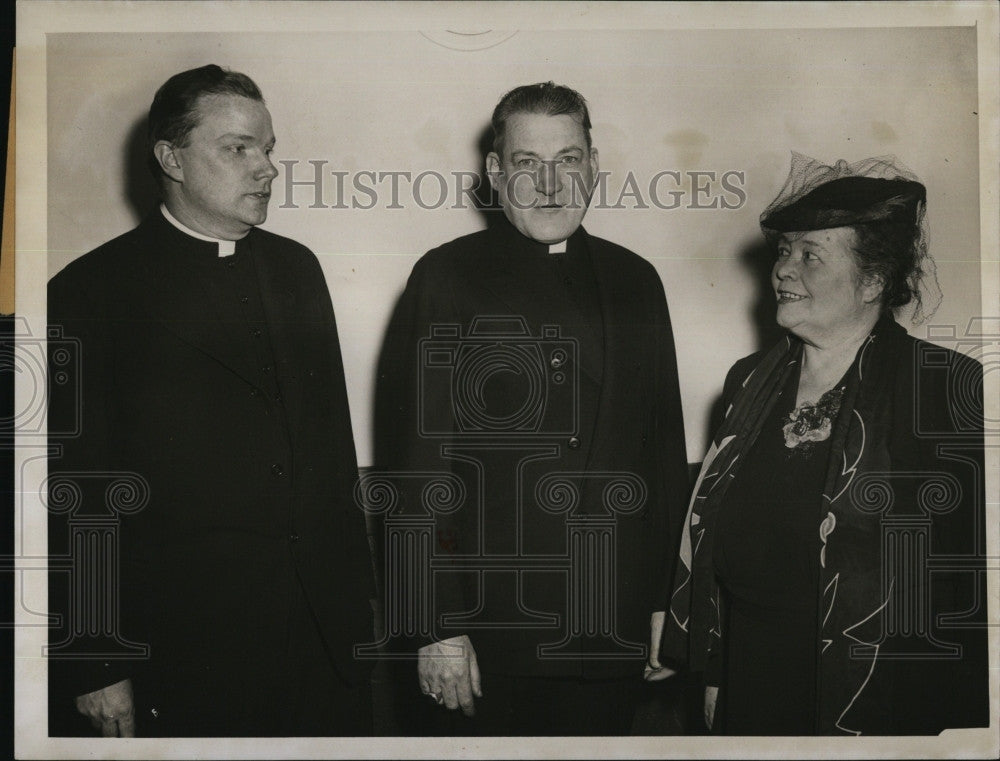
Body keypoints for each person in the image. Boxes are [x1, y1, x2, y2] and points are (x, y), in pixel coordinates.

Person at [47, 65, 375, 737]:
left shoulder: (298, 270)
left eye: (268, 147)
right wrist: (96, 659)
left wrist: (358, 621)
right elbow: (75, 491)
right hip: (186, 648)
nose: (266, 168)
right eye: (238, 148)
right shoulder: (89, 292)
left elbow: (332, 453)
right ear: (170, 157)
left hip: (319, 642)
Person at [373, 82, 690, 736]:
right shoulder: (446, 276)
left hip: (613, 627)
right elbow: (416, 465)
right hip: (492, 635)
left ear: (593, 166)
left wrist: (666, 604)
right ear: (494, 173)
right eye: (527, 163)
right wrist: (434, 627)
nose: (550, 183)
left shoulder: (638, 280)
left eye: (568, 160)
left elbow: (662, 453)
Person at [656, 154, 989, 735]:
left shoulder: (941, 388)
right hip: (748, 679)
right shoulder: (748, 381)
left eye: (811, 255)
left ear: (874, 281)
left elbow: (968, 589)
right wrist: (712, 677)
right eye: (784, 251)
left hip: (875, 694)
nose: (785, 269)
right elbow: (712, 548)